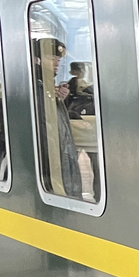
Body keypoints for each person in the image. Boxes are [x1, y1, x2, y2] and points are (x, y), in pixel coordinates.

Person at [31, 38, 82, 198]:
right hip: (50, 155)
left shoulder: (46, 86)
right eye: (52, 58)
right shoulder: (35, 86)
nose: (57, 63)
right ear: (36, 60)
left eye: (58, 60)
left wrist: (59, 98)